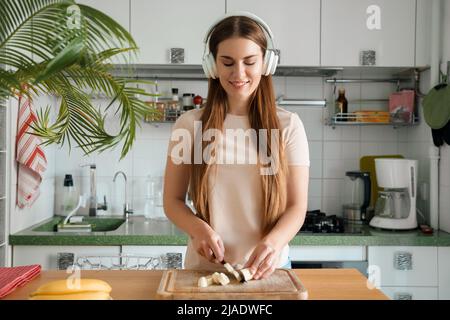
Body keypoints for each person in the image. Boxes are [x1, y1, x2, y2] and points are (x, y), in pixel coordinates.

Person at [163, 12, 309, 280]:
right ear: (212, 66)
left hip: (269, 270)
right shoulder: (190, 125)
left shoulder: (288, 126)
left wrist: (273, 243)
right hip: (205, 271)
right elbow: (172, 201)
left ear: (266, 64)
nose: (238, 73)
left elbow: (296, 207)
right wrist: (197, 229)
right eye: (227, 62)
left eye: (249, 62)